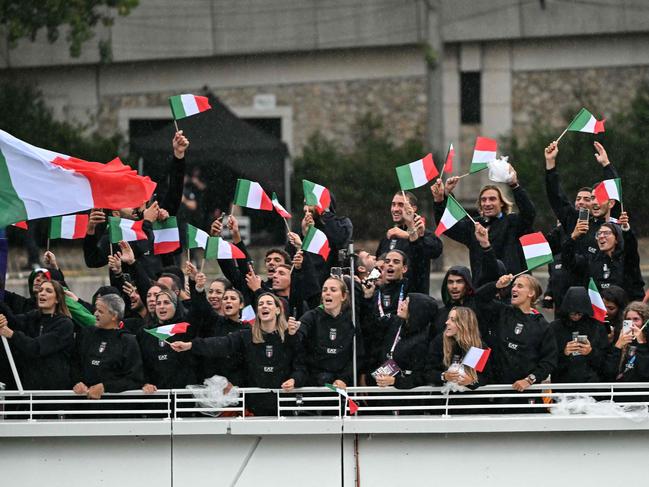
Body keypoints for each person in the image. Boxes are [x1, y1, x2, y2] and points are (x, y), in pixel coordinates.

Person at [171, 293, 306, 415]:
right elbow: (221, 343)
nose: (264, 306)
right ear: (257, 311)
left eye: (269, 303)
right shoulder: (246, 335)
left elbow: (301, 366)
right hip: (254, 407)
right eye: (260, 304)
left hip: (284, 406)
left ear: (278, 310)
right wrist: (190, 345)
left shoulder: (290, 336)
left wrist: (295, 379)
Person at [431, 170, 535, 283]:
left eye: (492, 199)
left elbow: (529, 213)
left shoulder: (513, 222)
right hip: (483, 290)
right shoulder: (474, 225)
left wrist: (514, 185)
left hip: (510, 288)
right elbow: (448, 226)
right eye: (483, 200)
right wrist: (442, 198)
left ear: (502, 203)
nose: (487, 203)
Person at [476, 274, 557, 397]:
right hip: (498, 392)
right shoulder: (502, 312)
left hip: (526, 394)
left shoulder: (543, 325)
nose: (514, 289)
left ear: (531, 293)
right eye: (513, 286)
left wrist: (529, 379)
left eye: (520, 286)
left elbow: (548, 361)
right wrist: (496, 286)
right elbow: (478, 299)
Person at [0, 280, 74, 390]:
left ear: (57, 299)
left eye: (48, 291)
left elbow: (36, 347)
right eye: (40, 290)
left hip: (53, 392)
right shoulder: (34, 316)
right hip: (29, 387)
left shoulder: (65, 324)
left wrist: (12, 334)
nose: (42, 293)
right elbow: (13, 321)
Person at [291, 277, 361, 388]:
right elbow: (298, 336)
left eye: (333, 290)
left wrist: (344, 378)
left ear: (343, 296)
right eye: (324, 290)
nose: (327, 293)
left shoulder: (352, 319)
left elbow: (358, 355)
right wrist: (293, 333)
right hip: (316, 382)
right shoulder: (311, 316)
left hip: (341, 383)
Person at [73, 294, 144, 399]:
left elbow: (134, 379)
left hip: (113, 408)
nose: (95, 314)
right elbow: (74, 363)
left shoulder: (127, 341)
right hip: (85, 406)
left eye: (100, 311)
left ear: (114, 316)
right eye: (96, 310)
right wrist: (78, 382)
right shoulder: (86, 334)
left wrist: (105, 387)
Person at [375, 191, 443, 294]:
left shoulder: (423, 234)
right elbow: (378, 269)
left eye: (401, 205)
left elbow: (436, 251)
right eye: (393, 204)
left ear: (413, 209)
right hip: (389, 302)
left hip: (415, 302)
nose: (395, 209)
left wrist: (409, 234)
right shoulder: (388, 237)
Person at [562, 217, 644, 301]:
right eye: (599, 233)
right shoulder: (591, 260)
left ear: (617, 238)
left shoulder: (627, 260)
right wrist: (573, 238)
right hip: (598, 311)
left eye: (606, 233)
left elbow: (631, 248)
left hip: (625, 310)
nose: (601, 236)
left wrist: (626, 229)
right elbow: (568, 262)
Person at [188, 274, 246, 385]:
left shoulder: (247, 329)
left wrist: (234, 381)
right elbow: (202, 307)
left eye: (233, 298)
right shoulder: (213, 321)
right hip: (208, 385)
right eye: (225, 299)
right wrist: (199, 288)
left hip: (236, 389)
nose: (228, 301)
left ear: (241, 304)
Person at [138, 287, 197, 393]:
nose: (161, 307)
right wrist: (145, 383)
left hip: (183, 397)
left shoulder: (187, 328)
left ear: (176, 305)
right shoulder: (146, 331)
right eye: (158, 303)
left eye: (166, 302)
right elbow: (140, 363)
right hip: (157, 397)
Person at [374, 293, 438, 389]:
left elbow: (422, 376)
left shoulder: (423, 340)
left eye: (406, 302)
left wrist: (396, 381)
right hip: (386, 388)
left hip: (408, 396)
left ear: (416, 309)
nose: (401, 304)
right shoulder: (397, 325)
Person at [549, 287, 608, 383]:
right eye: (572, 313)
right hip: (563, 384)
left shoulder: (597, 327)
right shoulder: (555, 327)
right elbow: (548, 359)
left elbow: (605, 362)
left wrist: (590, 352)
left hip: (591, 384)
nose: (576, 317)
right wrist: (564, 353)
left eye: (579, 314)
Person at [603, 302, 649, 383]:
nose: (632, 324)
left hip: (642, 392)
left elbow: (645, 373)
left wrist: (642, 343)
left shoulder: (645, 343)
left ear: (644, 321)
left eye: (636, 319)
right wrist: (618, 346)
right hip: (620, 391)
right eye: (628, 320)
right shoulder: (619, 338)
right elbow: (608, 373)